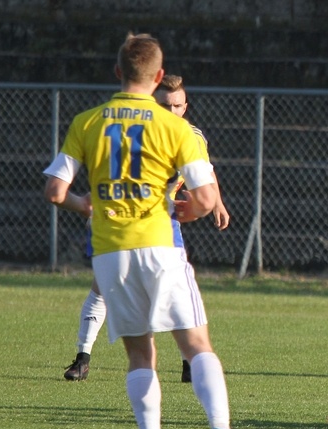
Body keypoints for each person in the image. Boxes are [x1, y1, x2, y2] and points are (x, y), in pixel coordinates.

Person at [43, 33, 260, 429]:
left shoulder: (87, 122)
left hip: (111, 252)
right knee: (197, 345)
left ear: (118, 72)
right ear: (158, 77)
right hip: (161, 245)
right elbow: (203, 197)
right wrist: (190, 210)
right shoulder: (176, 128)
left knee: (141, 357)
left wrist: (85, 205)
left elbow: (55, 191)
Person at [62, 74, 231, 384]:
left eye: (178, 105)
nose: (172, 111)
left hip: (161, 222)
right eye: (165, 104)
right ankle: (82, 357)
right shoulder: (133, 129)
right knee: (103, 286)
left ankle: (189, 364)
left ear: (185, 106)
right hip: (118, 219)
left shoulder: (190, 135)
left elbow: (204, 171)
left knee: (175, 288)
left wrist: (215, 202)